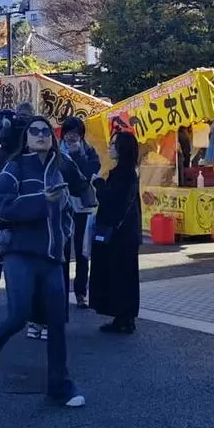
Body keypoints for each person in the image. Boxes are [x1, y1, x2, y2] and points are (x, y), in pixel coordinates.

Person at [0, 114, 86, 406]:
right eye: (35, 131)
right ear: (26, 138)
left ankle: (60, 384)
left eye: (46, 131)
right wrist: (43, 200)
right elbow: (3, 208)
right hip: (19, 253)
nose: (42, 135)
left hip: (53, 256)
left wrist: (70, 218)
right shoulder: (13, 167)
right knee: (19, 315)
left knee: (57, 321)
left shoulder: (61, 167)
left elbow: (81, 191)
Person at [0, 100, 35, 313]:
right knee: (23, 254)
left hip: (2, 205)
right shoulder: (29, 145)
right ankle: (21, 300)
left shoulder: (3, 137)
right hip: (22, 204)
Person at [89, 131, 142, 333]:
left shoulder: (123, 173)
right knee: (126, 276)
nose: (110, 147)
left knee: (119, 275)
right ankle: (125, 318)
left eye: (113, 144)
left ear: (122, 148)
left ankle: (122, 317)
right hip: (127, 233)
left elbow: (111, 200)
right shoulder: (129, 172)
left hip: (119, 235)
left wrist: (98, 183)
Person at [60, 116, 101, 309]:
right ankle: (60, 291)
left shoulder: (88, 150)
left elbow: (90, 171)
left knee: (82, 251)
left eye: (75, 133)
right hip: (62, 207)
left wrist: (78, 156)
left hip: (83, 207)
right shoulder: (56, 150)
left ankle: (81, 293)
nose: (72, 137)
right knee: (63, 251)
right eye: (68, 133)